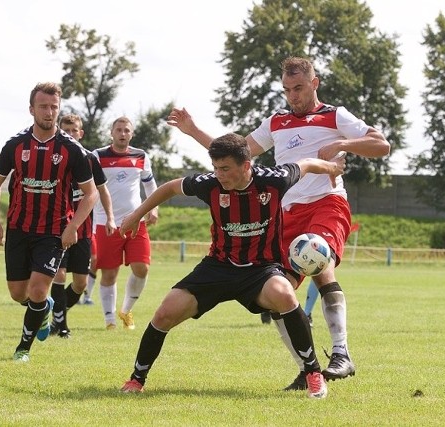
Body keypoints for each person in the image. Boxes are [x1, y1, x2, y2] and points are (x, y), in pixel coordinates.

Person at [167, 56, 390, 389]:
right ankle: (307, 368)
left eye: (299, 88)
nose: (293, 96)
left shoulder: (334, 115)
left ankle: (341, 353)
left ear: (314, 83)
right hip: (285, 214)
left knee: (315, 254)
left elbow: (381, 145)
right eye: (287, 90)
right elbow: (236, 154)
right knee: (274, 296)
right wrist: (193, 130)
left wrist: (342, 143)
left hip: (326, 204)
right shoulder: (277, 122)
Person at [118, 133, 344, 398]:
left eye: (225, 168)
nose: (219, 174)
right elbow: (169, 187)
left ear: (246, 165)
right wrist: (136, 215)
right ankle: (136, 379)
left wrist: (332, 168)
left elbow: (305, 164)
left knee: (284, 294)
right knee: (164, 314)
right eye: (215, 168)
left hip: (260, 269)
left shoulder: (274, 180)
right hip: (217, 267)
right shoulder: (209, 185)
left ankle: (313, 373)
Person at [0, 82, 98, 362]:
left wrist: (73, 227)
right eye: (43, 106)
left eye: (54, 107)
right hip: (18, 229)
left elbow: (91, 193)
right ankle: (43, 309)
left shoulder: (72, 149)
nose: (49, 112)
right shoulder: (15, 145)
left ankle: (23, 348)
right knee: (17, 293)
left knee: (37, 289)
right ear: (32, 109)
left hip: (53, 231)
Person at [49, 114, 114, 338]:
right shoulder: (54, 158)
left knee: (80, 283)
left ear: (81, 133)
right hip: (58, 228)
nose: (70, 135)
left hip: (84, 230)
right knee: (59, 275)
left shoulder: (89, 159)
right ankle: (62, 325)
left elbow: (103, 190)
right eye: (65, 131)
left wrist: (111, 217)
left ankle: (56, 314)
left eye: (74, 130)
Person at [92, 117, 158, 330]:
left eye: (126, 130)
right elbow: (89, 188)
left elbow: (149, 185)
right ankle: (109, 319)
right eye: (118, 130)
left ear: (131, 133)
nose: (122, 133)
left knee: (142, 268)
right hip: (106, 223)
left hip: (135, 221)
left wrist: (153, 208)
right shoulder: (98, 156)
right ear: (111, 132)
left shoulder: (141, 156)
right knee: (109, 273)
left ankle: (126, 310)